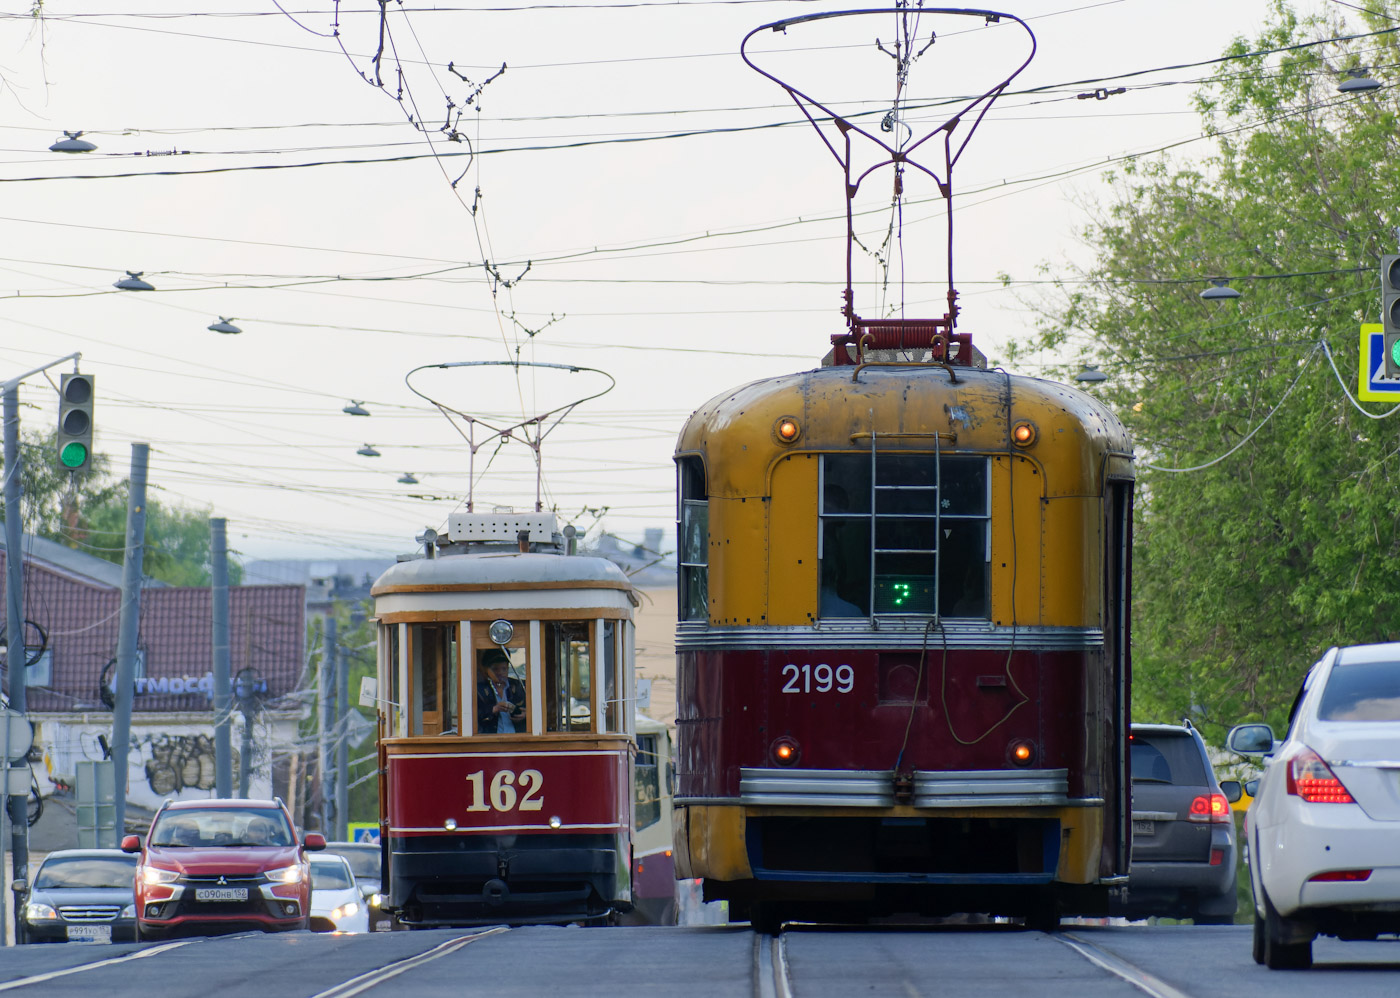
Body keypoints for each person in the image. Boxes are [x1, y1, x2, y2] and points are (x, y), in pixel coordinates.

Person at [476, 649, 526, 734]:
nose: (500, 672)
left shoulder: (519, 686)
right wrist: (494, 709)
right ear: (486, 670)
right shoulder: (479, 690)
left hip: (518, 739)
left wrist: (526, 715)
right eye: (495, 669)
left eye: (504, 668)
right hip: (489, 741)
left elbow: (535, 709)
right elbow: (471, 716)